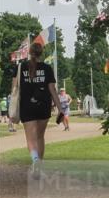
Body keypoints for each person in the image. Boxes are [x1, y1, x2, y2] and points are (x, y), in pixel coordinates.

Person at [5, 42, 67, 177]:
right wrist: (60, 109)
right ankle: (39, 167)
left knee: (31, 139)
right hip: (43, 106)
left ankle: (35, 162)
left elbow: (14, 88)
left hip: (27, 107)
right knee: (40, 137)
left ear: (29, 52)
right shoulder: (47, 68)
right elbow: (53, 90)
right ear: (41, 53)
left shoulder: (20, 67)